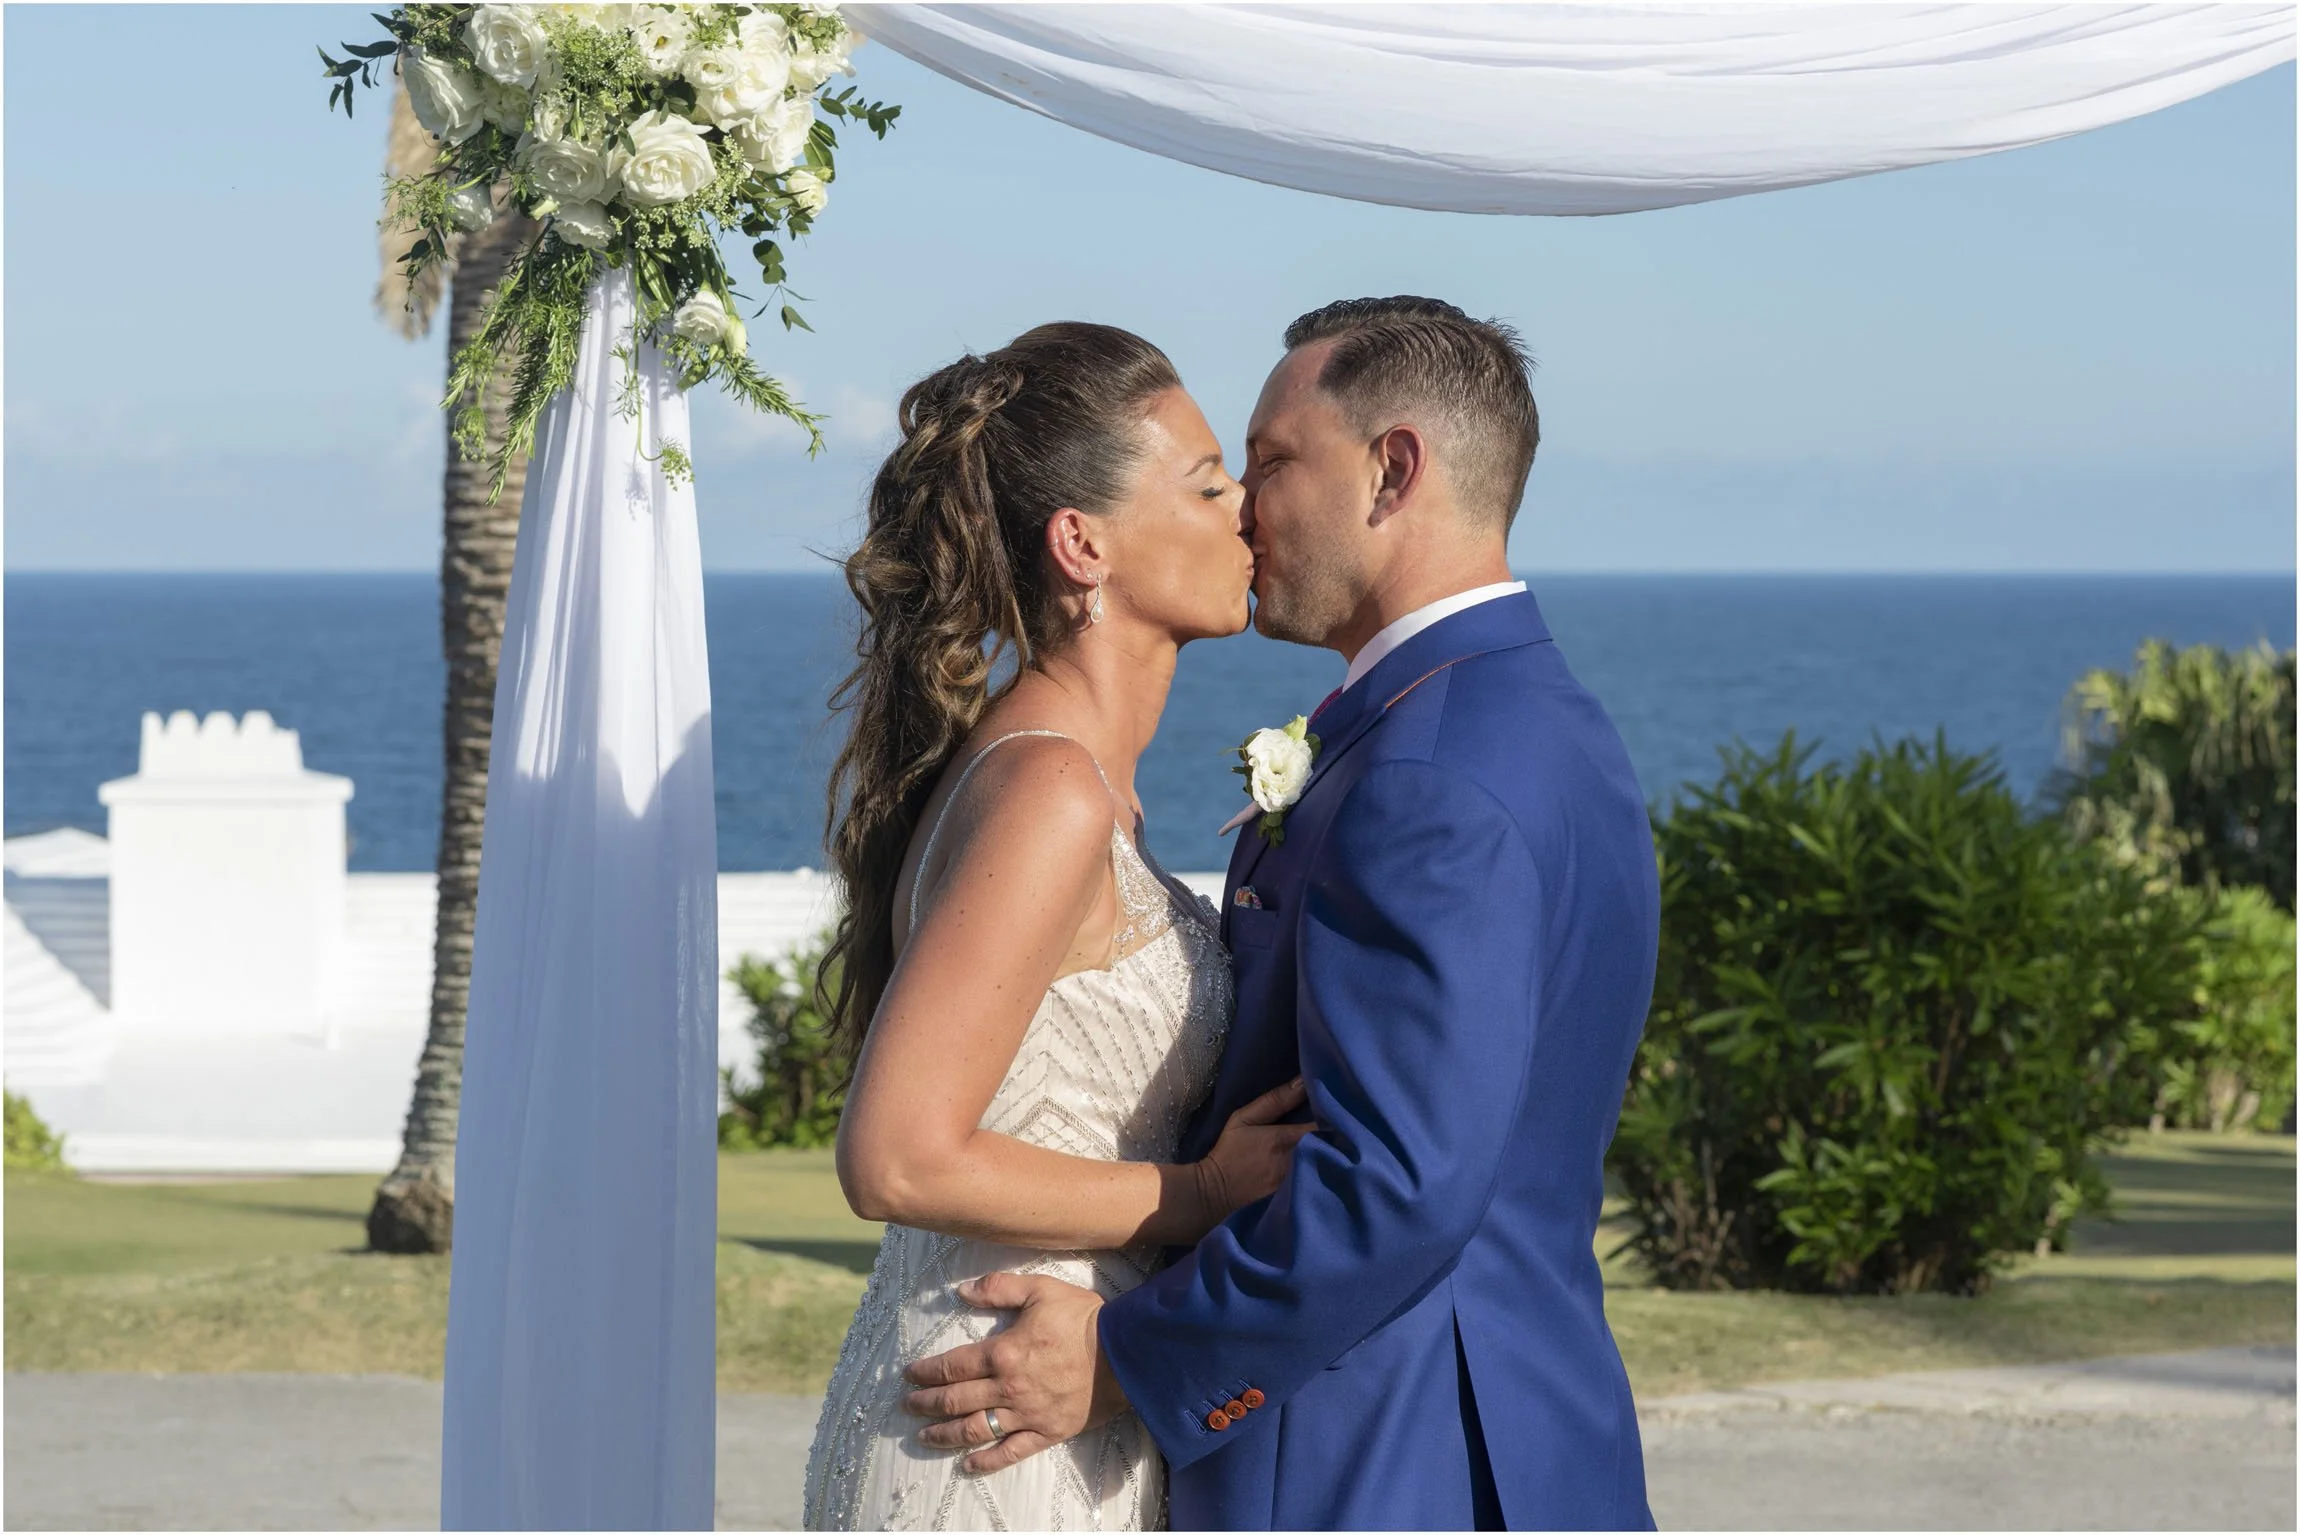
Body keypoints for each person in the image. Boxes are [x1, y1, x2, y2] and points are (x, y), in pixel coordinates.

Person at [898, 297, 1663, 1530]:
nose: (1245, 508)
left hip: (1379, 1460)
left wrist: (1127, 1357)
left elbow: (1396, 1184)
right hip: (1508, 1425)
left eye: (1267, 462)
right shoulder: (1536, 720)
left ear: (1391, 470)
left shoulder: (1427, 772)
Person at [801, 321, 1311, 1531]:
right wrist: (1199, 1190)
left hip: (1042, 1397)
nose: (1247, 512)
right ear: (1083, 544)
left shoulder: (1073, 781)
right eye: (1206, 484)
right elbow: (895, 1156)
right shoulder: (1048, 790)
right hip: (988, 1426)